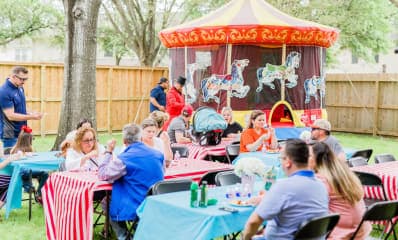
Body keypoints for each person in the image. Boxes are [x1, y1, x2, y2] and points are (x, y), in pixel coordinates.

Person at [243, 139, 329, 240]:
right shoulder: (321, 186)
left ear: (288, 162)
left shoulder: (283, 186)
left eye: (281, 158)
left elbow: (253, 222)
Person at [98, 123, 164, 240]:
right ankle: (138, 231)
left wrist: (108, 151)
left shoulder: (124, 159)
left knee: (106, 201)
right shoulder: (158, 155)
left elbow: (103, 174)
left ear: (124, 140)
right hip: (155, 201)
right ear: (141, 138)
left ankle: (123, 236)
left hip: (135, 203)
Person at [309, 142, 371, 240]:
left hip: (344, 234)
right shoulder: (344, 173)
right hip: (361, 230)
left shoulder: (322, 180)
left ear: (317, 159)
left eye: (308, 156)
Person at [0, 66, 43, 148]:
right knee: (12, 159)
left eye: (25, 79)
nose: (24, 82)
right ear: (13, 76)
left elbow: (20, 106)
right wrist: (32, 117)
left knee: (26, 157)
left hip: (22, 131)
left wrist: (32, 112)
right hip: (10, 135)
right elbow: (10, 116)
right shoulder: (4, 91)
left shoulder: (20, 87)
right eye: (22, 79)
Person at [10, 125, 48, 203]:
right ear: (28, 140)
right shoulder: (29, 149)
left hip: (18, 173)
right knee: (44, 174)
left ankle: (31, 189)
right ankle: (39, 193)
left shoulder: (14, 148)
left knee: (40, 174)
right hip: (25, 172)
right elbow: (33, 163)